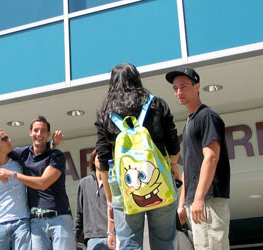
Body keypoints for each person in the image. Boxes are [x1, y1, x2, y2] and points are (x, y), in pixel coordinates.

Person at [95, 63, 180, 249]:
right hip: (159, 177)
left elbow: (103, 159)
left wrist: (110, 200)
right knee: (164, 240)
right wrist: (173, 167)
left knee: (129, 241)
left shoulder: (105, 114)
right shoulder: (157, 104)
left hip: (123, 184)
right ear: (138, 80)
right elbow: (173, 142)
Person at [0, 116, 73, 250]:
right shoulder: (23, 153)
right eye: (36, 130)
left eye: (43, 131)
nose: (39, 134)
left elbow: (43, 183)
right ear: (30, 132)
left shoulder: (56, 156)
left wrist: (12, 174)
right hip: (36, 221)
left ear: (48, 134)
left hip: (59, 218)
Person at [166, 67, 231, 250]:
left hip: (208, 200)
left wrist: (199, 198)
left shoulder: (207, 116)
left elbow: (211, 157)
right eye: (176, 88)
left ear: (197, 87)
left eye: (184, 86)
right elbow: (189, 166)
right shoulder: (190, 122)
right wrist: (182, 203)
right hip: (195, 202)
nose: (179, 92)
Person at [74, 149, 115, 250]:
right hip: (92, 238)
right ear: (93, 160)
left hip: (114, 235)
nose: (101, 160)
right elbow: (79, 214)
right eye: (98, 157)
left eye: (104, 158)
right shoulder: (84, 183)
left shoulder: (114, 181)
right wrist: (74, 238)